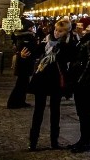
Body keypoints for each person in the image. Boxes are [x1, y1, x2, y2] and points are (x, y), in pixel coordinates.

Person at [23, 18, 73, 151]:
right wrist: (23, 54)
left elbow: (68, 58)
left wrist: (60, 46)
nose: (57, 33)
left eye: (61, 31)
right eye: (56, 30)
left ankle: (54, 141)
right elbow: (35, 52)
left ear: (67, 32)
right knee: (38, 110)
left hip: (57, 80)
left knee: (55, 111)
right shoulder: (46, 41)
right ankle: (33, 142)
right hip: (42, 78)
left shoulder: (68, 44)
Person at [67, 16, 90, 153]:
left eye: (80, 27)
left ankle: (86, 141)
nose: (77, 29)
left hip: (87, 82)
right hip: (81, 81)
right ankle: (82, 139)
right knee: (81, 112)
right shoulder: (83, 41)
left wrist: (81, 80)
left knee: (85, 112)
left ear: (87, 28)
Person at [7, 19, 38, 108]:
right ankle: (13, 102)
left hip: (22, 63)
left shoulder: (20, 36)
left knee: (23, 84)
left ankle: (20, 101)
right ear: (28, 28)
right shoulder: (28, 37)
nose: (33, 29)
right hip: (25, 64)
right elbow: (32, 49)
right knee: (21, 84)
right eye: (32, 27)